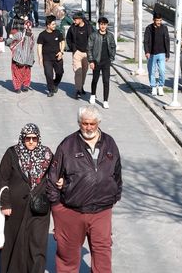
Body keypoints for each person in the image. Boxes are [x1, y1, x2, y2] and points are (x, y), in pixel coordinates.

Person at [47, 105, 122, 273]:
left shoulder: (109, 143)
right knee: (68, 254)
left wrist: (115, 195)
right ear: (79, 123)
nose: (88, 127)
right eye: (84, 123)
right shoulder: (68, 145)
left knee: (103, 251)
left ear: (98, 123)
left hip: (102, 210)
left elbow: (117, 172)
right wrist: (57, 207)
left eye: (92, 124)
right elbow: (53, 176)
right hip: (72, 210)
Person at [0, 123, 53, 273]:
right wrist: (5, 203)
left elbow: (55, 175)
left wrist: (61, 182)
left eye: (34, 139)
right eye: (27, 138)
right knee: (15, 242)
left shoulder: (47, 154)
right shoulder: (12, 154)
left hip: (39, 208)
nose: (31, 142)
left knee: (37, 244)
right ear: (22, 138)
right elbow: (3, 179)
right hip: (15, 208)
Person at [87, 17, 116, 109]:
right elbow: (89, 48)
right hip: (96, 61)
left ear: (107, 25)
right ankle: (92, 94)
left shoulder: (110, 35)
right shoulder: (93, 35)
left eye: (104, 24)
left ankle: (105, 101)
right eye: (101, 24)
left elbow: (113, 46)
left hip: (106, 61)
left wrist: (112, 57)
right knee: (95, 79)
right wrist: (91, 61)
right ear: (99, 25)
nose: (103, 26)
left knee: (106, 81)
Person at [66, 12, 94, 99]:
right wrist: (73, 49)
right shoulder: (73, 28)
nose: (74, 21)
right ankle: (78, 90)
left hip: (87, 53)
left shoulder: (89, 27)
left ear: (81, 19)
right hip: (77, 52)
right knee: (78, 71)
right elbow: (68, 38)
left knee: (84, 71)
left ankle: (81, 86)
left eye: (75, 19)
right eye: (74, 19)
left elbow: (94, 38)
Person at [37, 15, 65, 97]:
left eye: (55, 24)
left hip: (57, 57)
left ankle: (55, 83)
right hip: (47, 59)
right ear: (48, 25)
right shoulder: (42, 35)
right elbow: (39, 46)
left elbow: (63, 42)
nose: (54, 26)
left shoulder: (58, 33)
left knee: (60, 73)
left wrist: (61, 52)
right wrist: (40, 58)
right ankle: (50, 90)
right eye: (53, 24)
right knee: (48, 74)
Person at [144, 12, 170, 96]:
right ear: (153, 20)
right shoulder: (149, 28)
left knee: (162, 71)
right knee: (151, 71)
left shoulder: (164, 28)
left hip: (162, 53)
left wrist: (167, 53)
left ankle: (161, 86)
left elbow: (167, 41)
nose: (158, 22)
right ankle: (153, 86)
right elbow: (146, 41)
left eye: (160, 20)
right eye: (157, 20)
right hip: (152, 54)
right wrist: (147, 51)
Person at [7, 20, 36, 93]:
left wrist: (8, 41)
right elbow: (32, 47)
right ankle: (26, 85)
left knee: (16, 72)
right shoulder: (32, 36)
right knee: (27, 72)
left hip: (18, 58)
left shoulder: (19, 34)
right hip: (28, 58)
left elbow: (9, 41)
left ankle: (17, 87)